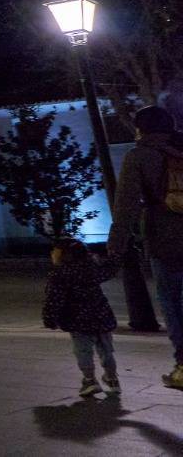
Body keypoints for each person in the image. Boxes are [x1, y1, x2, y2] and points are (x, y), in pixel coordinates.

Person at [109, 104, 183, 389]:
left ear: (141, 129)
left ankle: (182, 364)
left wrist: (117, 241)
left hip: (166, 240)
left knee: (173, 302)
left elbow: (126, 204)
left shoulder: (139, 156)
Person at [42, 239, 123, 397]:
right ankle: (112, 379)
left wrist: (49, 318)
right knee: (106, 350)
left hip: (77, 319)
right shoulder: (93, 267)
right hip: (101, 315)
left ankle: (90, 380)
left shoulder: (60, 274)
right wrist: (115, 255)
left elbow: (54, 299)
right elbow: (111, 268)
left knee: (83, 351)